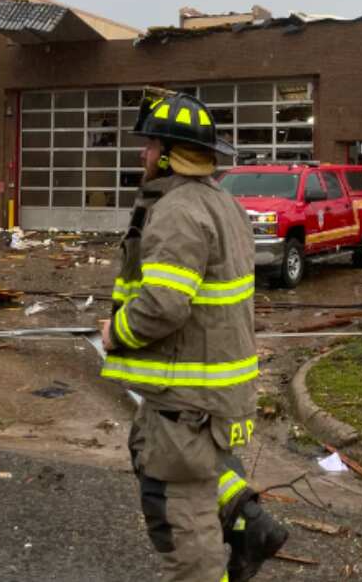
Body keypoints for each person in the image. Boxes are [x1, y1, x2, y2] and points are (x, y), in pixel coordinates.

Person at [100, 92, 288, 581]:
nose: (141, 154)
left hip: (186, 394)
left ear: (167, 154)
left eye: (149, 145)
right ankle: (250, 521)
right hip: (209, 390)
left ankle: (236, 537)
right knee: (190, 468)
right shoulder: (222, 203)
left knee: (180, 520)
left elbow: (163, 305)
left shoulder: (177, 211)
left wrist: (116, 333)